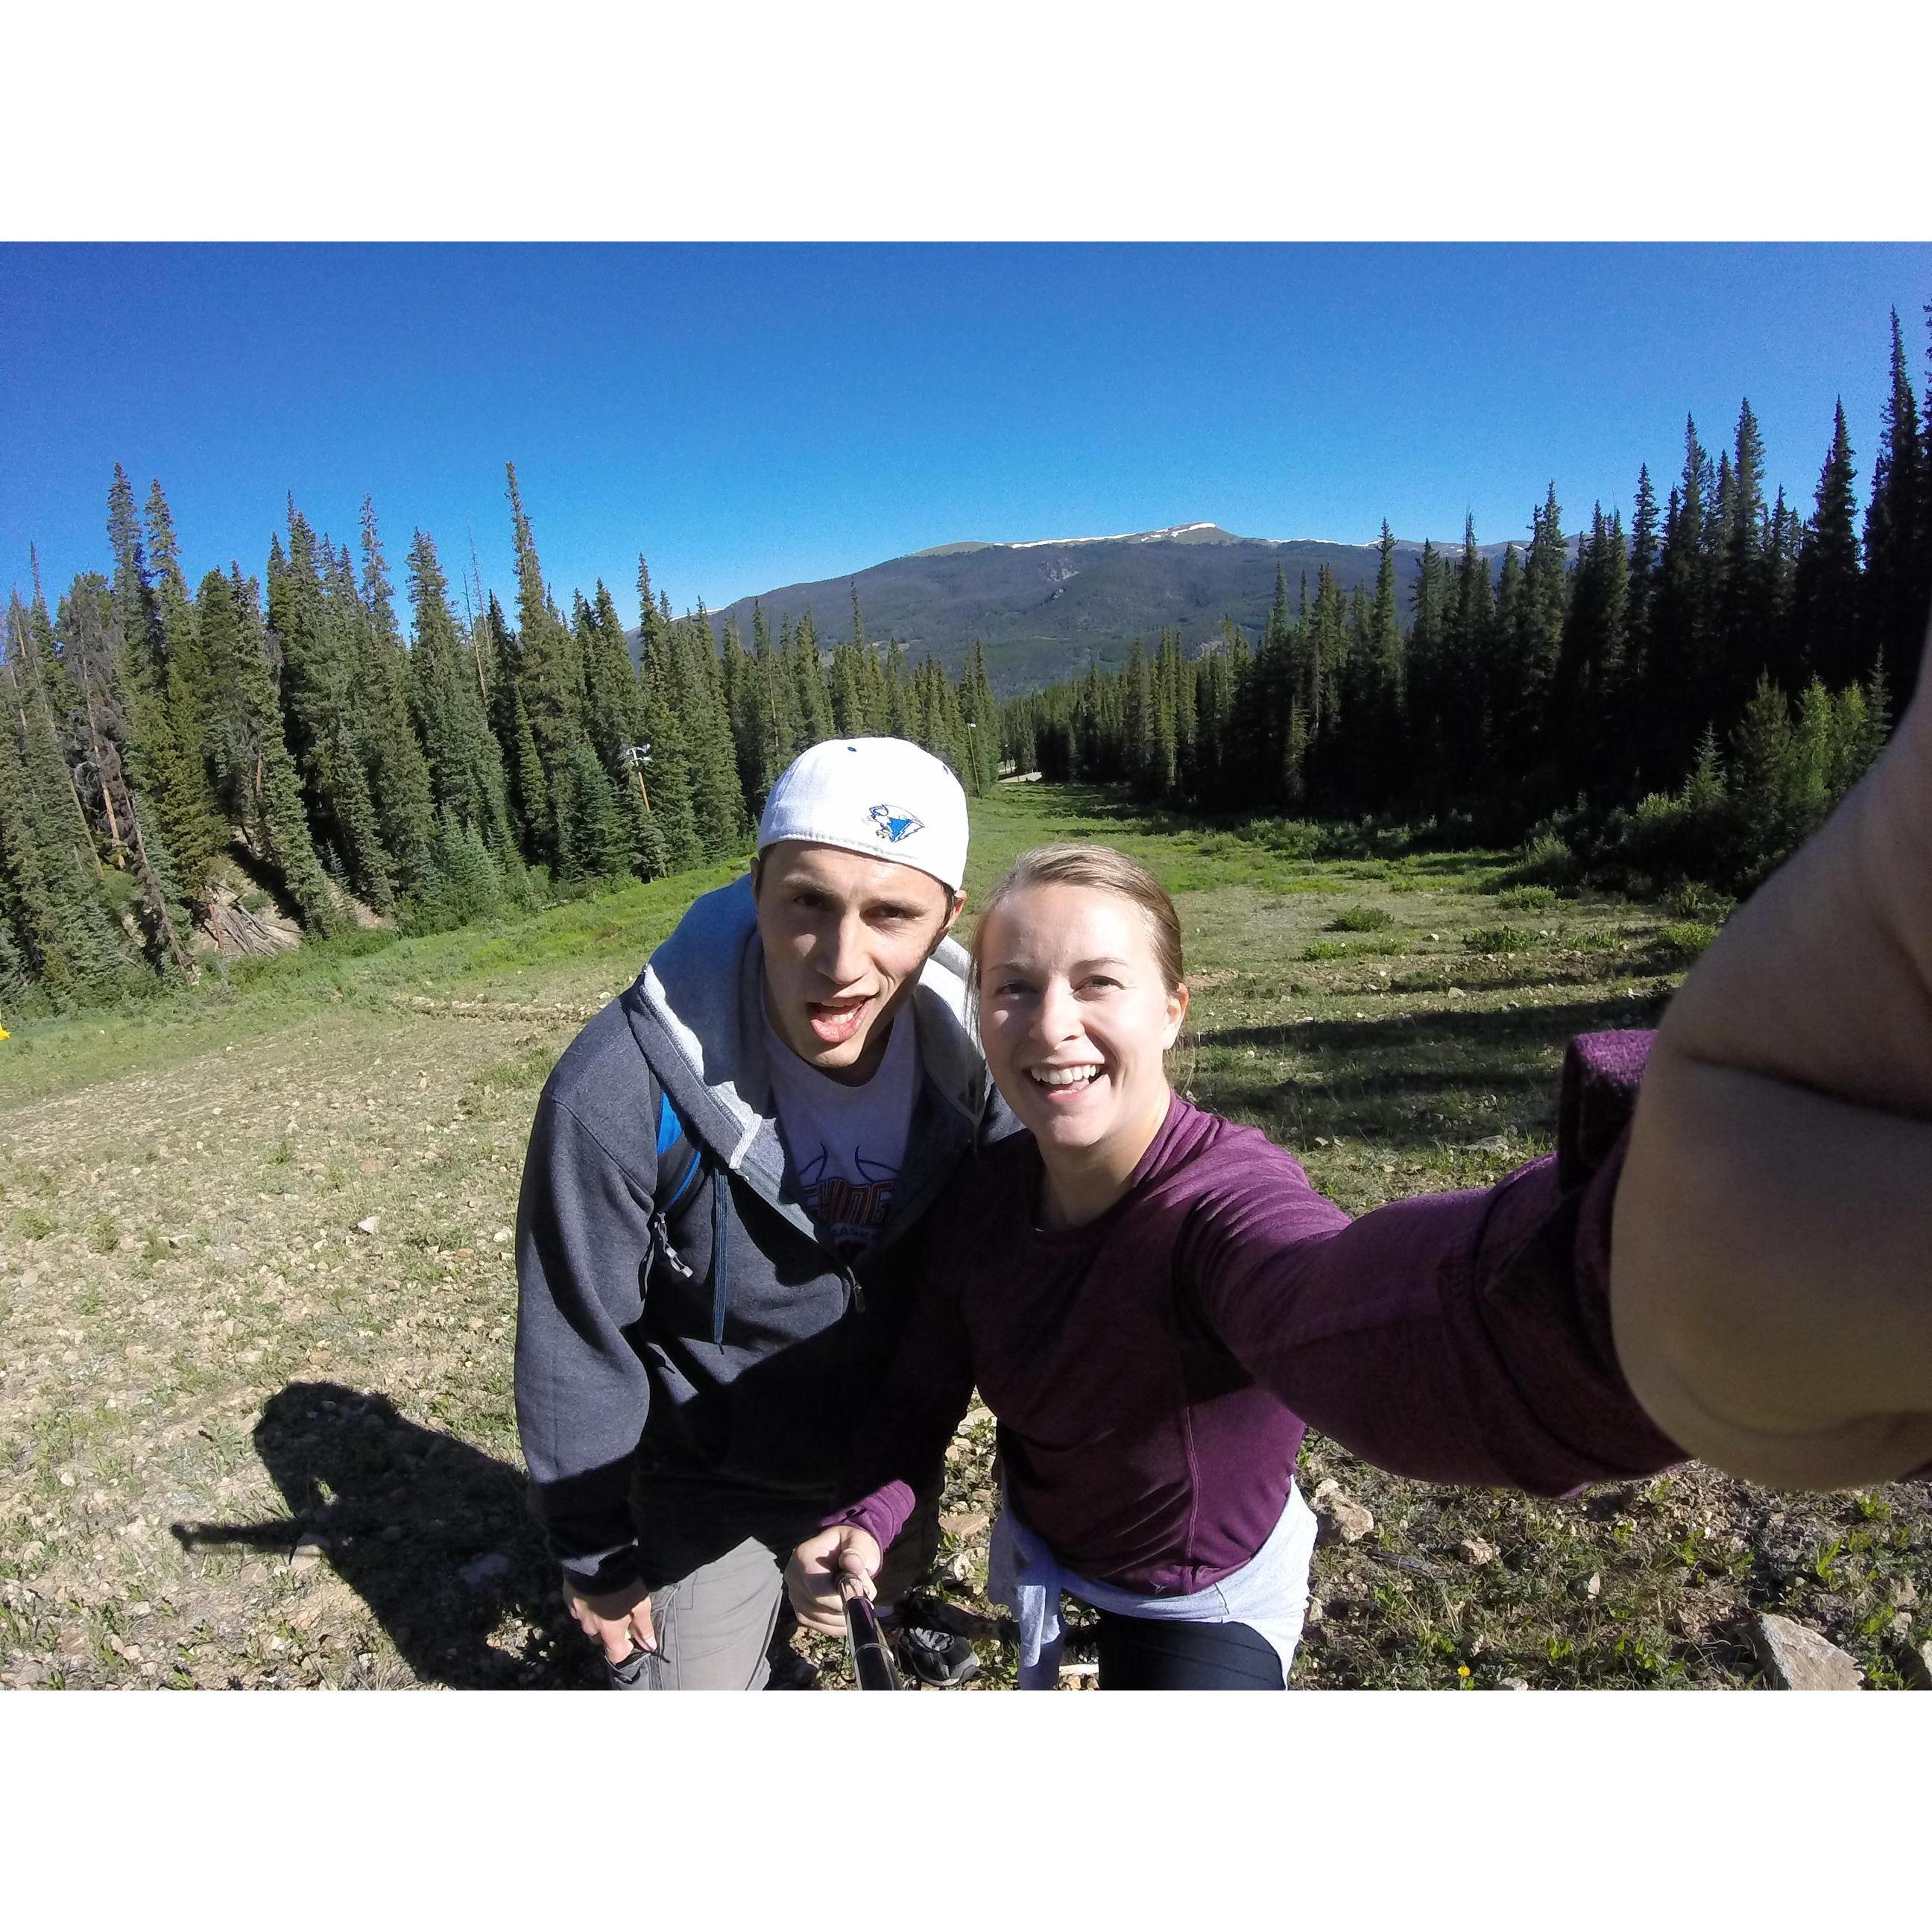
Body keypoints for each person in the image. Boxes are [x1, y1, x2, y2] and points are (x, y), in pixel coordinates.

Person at [787, 625, 1932, 1687]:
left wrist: (1643, 1263)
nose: (1051, 1028)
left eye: (1098, 984)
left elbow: (1361, 1315)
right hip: (1047, 1553)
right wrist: (869, 1518)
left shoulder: (1218, 1206)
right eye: (1013, 988)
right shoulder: (984, 1199)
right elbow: (921, 1388)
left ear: (1175, 1008)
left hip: (1202, 1593)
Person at [514, 736, 1017, 1689]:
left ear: (949, 918)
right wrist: (596, 1558)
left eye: (892, 915)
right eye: (807, 903)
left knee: (884, 1582)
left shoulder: (986, 1066)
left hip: (889, 1457)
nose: (842, 961)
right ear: (755, 886)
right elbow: (575, 1337)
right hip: (706, 1479)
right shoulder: (623, 1085)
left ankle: (892, 1600)